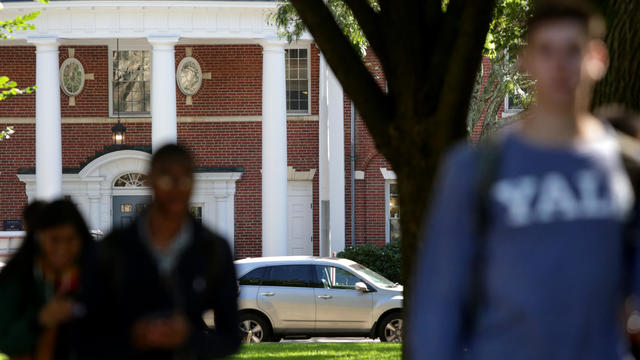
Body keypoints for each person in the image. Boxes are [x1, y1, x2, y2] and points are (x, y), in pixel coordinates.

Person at [408, 1, 639, 359]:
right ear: (525, 60)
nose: (560, 66)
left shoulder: (628, 168)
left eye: (573, 50)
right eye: (546, 51)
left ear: (598, 59)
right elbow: (440, 304)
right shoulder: (474, 168)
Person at [78, 144, 241, 360]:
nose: (176, 188)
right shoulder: (114, 248)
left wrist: (189, 337)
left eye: (184, 179)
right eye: (166, 179)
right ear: (150, 180)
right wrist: (135, 335)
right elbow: (84, 334)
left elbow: (230, 339)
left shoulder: (213, 249)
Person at [0, 200, 93, 360]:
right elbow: (5, 340)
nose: (63, 248)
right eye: (54, 240)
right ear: (39, 239)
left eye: (71, 239)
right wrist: (39, 320)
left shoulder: (99, 274)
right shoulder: (18, 279)